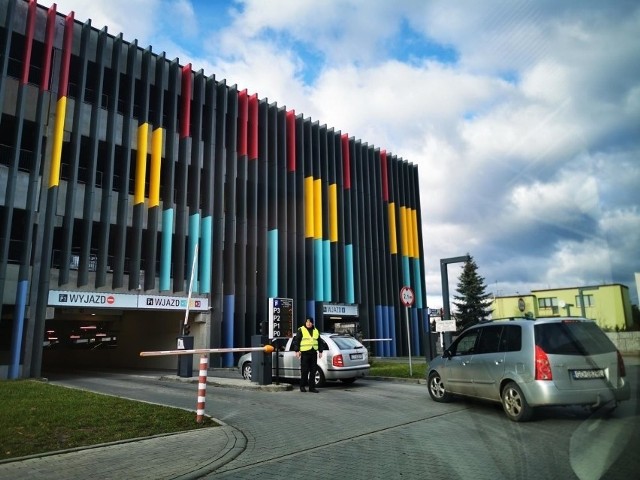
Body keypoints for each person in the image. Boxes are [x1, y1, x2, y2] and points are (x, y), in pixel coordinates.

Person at [294, 317, 323, 392]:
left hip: (313, 353)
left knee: (313, 371)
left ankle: (312, 387)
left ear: (312, 323)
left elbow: (319, 342)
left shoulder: (316, 330)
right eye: (307, 322)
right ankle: (302, 386)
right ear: (305, 323)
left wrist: (320, 351)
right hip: (305, 353)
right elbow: (297, 341)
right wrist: (297, 351)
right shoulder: (301, 329)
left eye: (310, 322)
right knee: (304, 371)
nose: (308, 323)